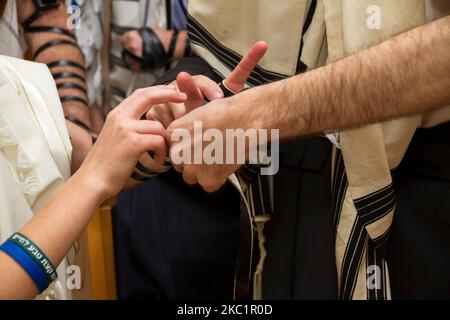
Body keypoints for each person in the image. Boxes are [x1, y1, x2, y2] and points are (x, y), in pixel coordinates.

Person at [153, 0, 450, 299]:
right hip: (285, 189)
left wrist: (259, 112)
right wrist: (188, 93)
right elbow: (229, 43)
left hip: (415, 187)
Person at [0, 53, 187, 299]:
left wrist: (171, 122)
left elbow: (99, 155)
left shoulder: (16, 80)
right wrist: (92, 180)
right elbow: (97, 168)